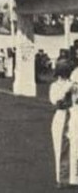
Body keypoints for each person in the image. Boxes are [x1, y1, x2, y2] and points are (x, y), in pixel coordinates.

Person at [49, 53, 78, 188]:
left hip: (73, 116)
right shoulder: (55, 86)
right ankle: (61, 178)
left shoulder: (74, 85)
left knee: (75, 148)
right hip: (61, 117)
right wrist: (67, 89)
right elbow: (57, 102)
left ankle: (73, 178)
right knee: (60, 147)